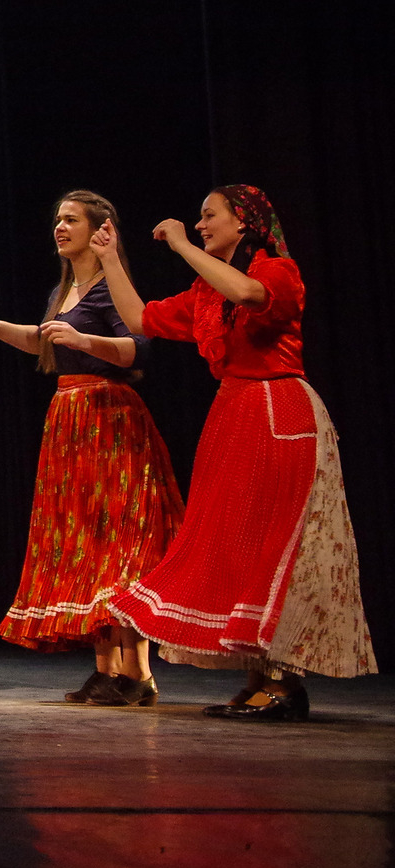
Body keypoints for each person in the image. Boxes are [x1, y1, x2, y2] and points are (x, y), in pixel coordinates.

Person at [98, 186, 376, 718]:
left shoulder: (277, 269)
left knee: (275, 545)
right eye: (198, 219)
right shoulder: (207, 292)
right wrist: (110, 258)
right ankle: (259, 680)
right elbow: (140, 319)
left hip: (277, 409)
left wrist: (181, 244)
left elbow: (249, 293)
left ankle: (283, 684)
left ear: (243, 222)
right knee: (239, 547)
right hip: (233, 414)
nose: (201, 224)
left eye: (210, 216)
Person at [0, 190, 183, 706]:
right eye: (57, 220)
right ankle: (105, 669)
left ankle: (138, 672)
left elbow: (139, 347)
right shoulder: (65, 289)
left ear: (98, 230)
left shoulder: (110, 288)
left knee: (119, 540)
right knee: (83, 543)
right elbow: (47, 341)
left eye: (71, 220)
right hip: (69, 419)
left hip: (109, 417)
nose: (60, 228)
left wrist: (86, 342)